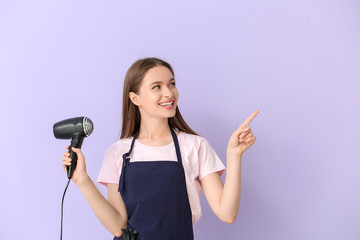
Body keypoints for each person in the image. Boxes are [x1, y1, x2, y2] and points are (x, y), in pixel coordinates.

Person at [62, 57, 259, 240]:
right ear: (135, 98)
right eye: (157, 87)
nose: (169, 93)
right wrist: (82, 180)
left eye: (171, 84)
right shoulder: (118, 152)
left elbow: (227, 213)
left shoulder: (195, 146)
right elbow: (118, 226)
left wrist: (234, 156)